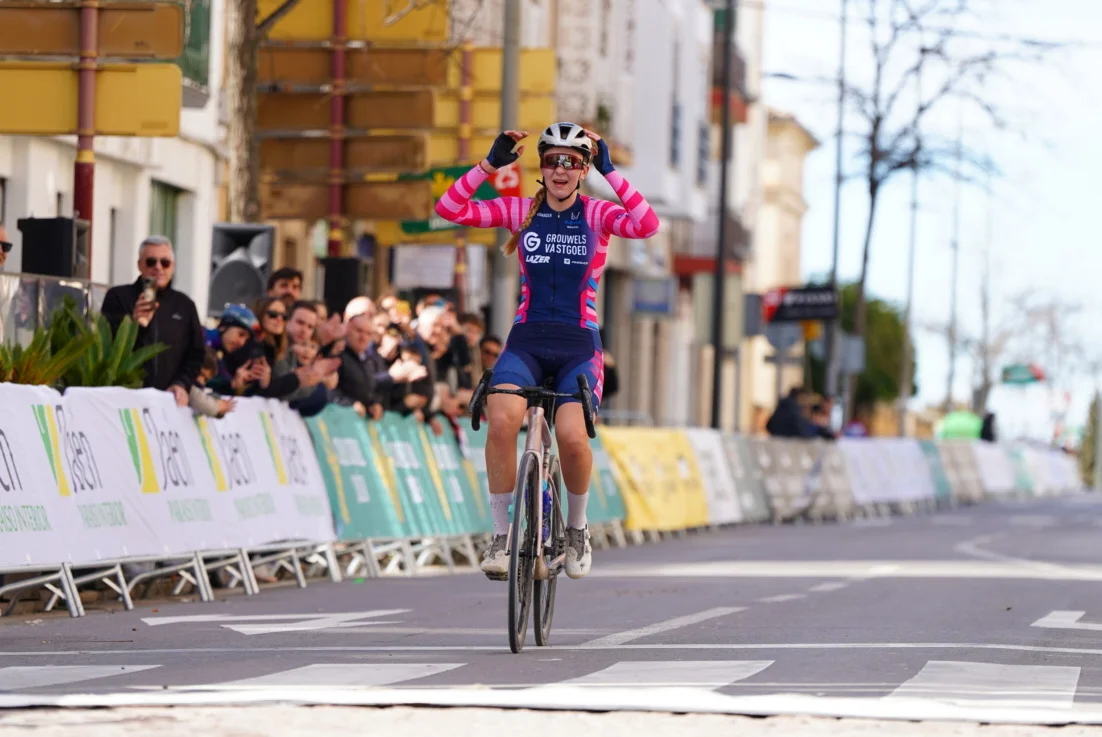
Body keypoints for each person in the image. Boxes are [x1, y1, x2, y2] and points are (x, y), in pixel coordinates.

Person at [434, 122, 660, 580]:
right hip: (527, 340)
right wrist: (489, 165)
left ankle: (576, 529)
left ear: (582, 169)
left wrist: (611, 172)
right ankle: (502, 537)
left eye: (571, 162)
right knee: (501, 422)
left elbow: (646, 225)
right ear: (542, 166)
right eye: (553, 161)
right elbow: (449, 208)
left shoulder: (597, 214)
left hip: (578, 344)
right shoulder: (520, 210)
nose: (560, 170)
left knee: (573, 437)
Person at [101, 236, 206, 407]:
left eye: (165, 263)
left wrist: (181, 384)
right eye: (151, 262)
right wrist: (134, 326)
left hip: (169, 402)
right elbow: (107, 347)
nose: (158, 267)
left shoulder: (185, 305)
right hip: (127, 401)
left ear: (172, 267)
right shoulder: (118, 297)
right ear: (139, 265)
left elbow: (195, 354)